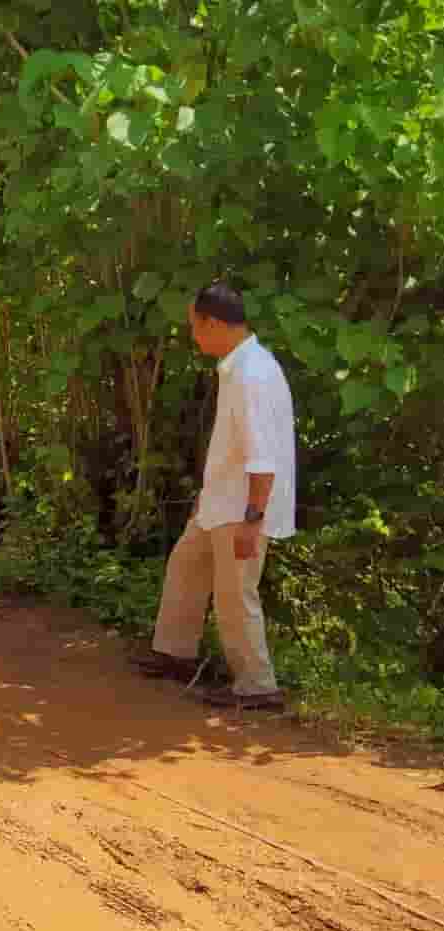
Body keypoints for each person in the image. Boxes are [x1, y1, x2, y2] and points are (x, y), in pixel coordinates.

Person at [131, 283, 296, 710]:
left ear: (215, 323)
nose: (193, 336)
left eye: (195, 327)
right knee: (186, 566)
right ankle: (175, 653)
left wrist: (252, 518)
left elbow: (263, 456)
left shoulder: (250, 374)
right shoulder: (243, 366)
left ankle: (257, 686)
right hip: (221, 502)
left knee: (235, 594)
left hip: (242, 507)